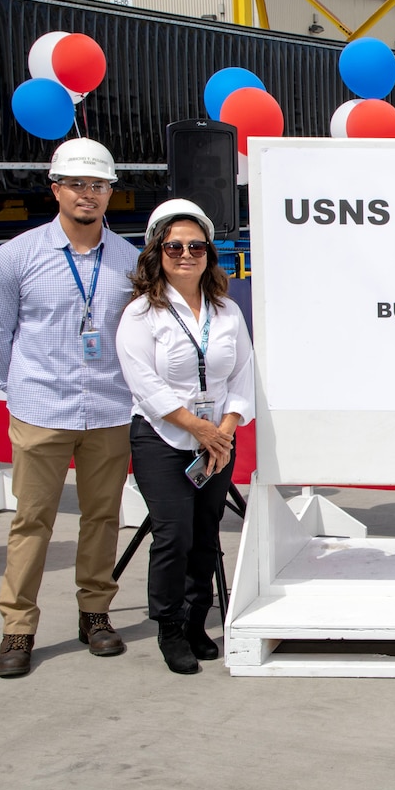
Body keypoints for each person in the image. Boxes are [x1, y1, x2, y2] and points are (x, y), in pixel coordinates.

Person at [0, 138, 138, 678]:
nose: (87, 194)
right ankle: (17, 626)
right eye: (77, 184)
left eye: (98, 185)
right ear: (56, 189)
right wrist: (17, 387)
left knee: (102, 518)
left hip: (109, 411)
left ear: (110, 193)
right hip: (41, 409)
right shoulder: (17, 256)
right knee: (32, 521)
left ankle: (94, 613)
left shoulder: (129, 261)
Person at [116, 199, 253, 674]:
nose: (186, 254)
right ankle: (169, 626)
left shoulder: (227, 311)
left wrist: (225, 431)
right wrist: (199, 429)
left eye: (197, 246)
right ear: (158, 252)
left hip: (216, 439)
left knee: (204, 532)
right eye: (175, 246)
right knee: (172, 533)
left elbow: (242, 376)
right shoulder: (140, 314)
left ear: (209, 254)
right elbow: (145, 385)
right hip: (162, 439)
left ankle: (197, 619)